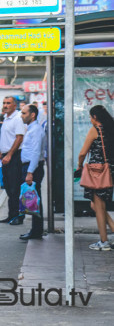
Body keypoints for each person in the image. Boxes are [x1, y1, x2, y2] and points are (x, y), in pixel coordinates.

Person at [77, 105, 114, 251]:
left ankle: (104, 242)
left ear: (95, 117)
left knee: (98, 205)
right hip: (110, 170)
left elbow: (82, 153)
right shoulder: (111, 129)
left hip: (97, 172)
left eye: (90, 117)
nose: (90, 120)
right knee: (96, 205)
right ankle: (111, 227)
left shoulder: (95, 130)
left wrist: (79, 165)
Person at [0, 96, 26, 225]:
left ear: (15, 105)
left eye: (8, 103)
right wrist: (2, 154)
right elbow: (8, 139)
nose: (5, 105)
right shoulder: (6, 119)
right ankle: (11, 215)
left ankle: (18, 216)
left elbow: (19, 138)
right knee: (8, 187)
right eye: (4, 103)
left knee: (15, 188)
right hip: (6, 155)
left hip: (14, 156)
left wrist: (9, 155)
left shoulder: (17, 118)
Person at [18, 104, 45, 240]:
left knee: (34, 199)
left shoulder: (36, 130)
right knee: (32, 199)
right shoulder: (31, 128)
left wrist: (30, 172)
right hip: (30, 167)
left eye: (24, 113)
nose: (21, 116)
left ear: (32, 114)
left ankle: (36, 231)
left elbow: (36, 152)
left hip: (33, 168)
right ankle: (35, 230)